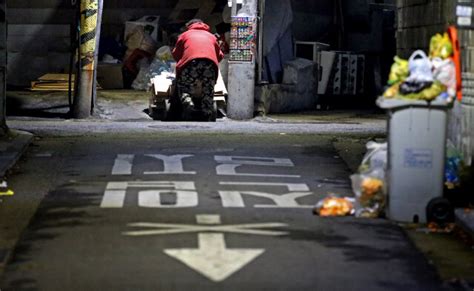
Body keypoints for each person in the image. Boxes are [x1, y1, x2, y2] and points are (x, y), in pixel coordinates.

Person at [172, 19, 224, 121]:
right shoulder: (211, 37)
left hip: (191, 64)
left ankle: (188, 103)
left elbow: (176, 54)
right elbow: (220, 56)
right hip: (209, 64)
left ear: (189, 26)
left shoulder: (184, 35)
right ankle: (207, 112)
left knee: (184, 86)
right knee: (208, 89)